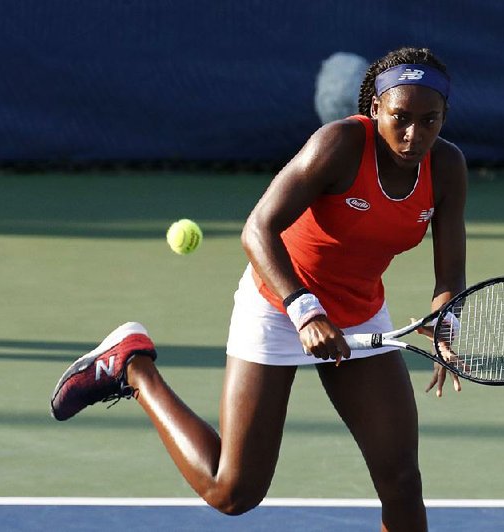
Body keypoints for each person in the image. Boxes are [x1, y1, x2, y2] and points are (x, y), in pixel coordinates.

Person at [50, 46, 468, 532]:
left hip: (358, 313)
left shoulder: (447, 167)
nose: (414, 133)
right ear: (375, 110)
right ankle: (132, 366)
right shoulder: (339, 145)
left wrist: (445, 319)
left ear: (444, 117)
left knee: (401, 481)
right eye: (401, 117)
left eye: (429, 120)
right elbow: (258, 229)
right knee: (233, 492)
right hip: (278, 302)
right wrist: (304, 311)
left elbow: (449, 275)